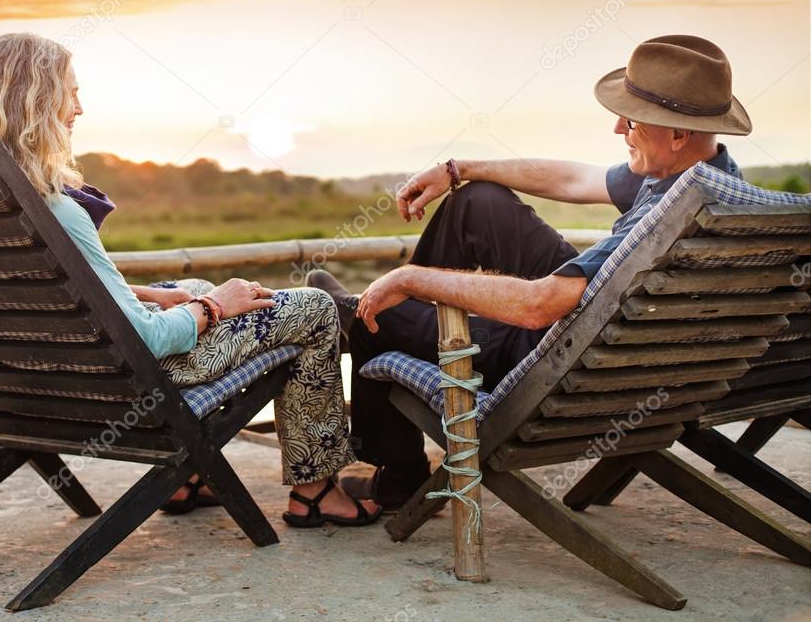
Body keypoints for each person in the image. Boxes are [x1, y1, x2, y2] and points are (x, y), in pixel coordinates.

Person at [0, 32, 381, 527]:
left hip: (32, 384)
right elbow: (151, 340)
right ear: (39, 101)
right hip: (125, 385)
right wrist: (215, 305)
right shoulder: (56, 209)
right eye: (71, 93)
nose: (80, 108)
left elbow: (46, 293)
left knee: (187, 289)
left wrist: (153, 294)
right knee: (312, 309)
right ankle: (314, 491)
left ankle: (185, 476)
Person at [308, 34, 751, 509]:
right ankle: (407, 318)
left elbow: (538, 305)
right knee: (478, 202)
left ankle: (397, 474)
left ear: (677, 134)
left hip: (563, 358)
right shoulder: (712, 180)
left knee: (363, 313)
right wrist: (458, 169)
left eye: (632, 120)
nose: (618, 127)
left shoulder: (664, 219)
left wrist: (407, 280)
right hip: (615, 339)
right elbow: (574, 179)